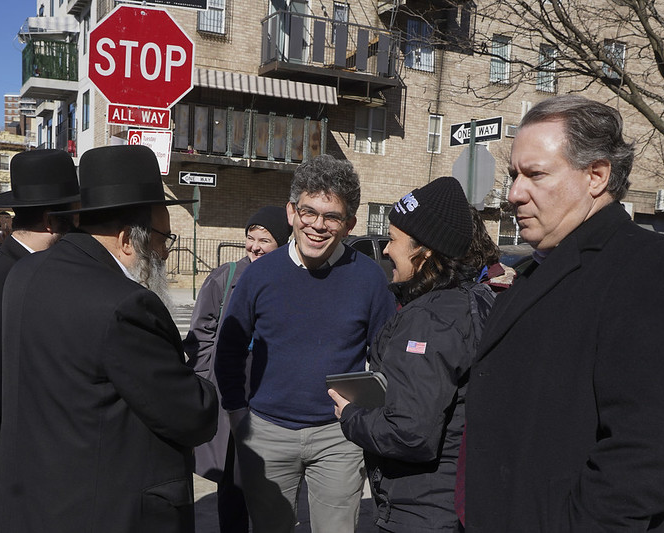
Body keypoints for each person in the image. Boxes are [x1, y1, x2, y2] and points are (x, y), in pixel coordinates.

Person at [464, 95, 664, 531]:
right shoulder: (534, 271)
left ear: (596, 176)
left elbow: (649, 448)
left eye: (534, 175)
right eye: (512, 175)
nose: (513, 194)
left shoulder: (653, 268)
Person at [0, 145, 219, 533]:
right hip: (102, 509)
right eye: (163, 239)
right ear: (128, 240)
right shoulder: (127, 305)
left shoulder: (25, 273)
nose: (163, 252)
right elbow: (190, 414)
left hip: (32, 503)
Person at [215, 154, 396, 533]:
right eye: (308, 212)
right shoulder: (259, 274)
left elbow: (384, 358)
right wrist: (237, 414)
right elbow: (229, 349)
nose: (317, 225)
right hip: (265, 432)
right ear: (291, 213)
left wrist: (363, 419)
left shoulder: (370, 279)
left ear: (349, 224)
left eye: (331, 216)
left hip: (339, 436)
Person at [328, 176, 495, 532]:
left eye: (392, 240)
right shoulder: (469, 300)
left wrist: (351, 415)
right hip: (448, 502)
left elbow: (410, 433)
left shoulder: (430, 319)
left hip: (423, 510)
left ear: (426, 250)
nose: (386, 250)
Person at [0, 149, 80, 470]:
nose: (80, 224)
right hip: (22, 451)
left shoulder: (58, 269)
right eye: (75, 215)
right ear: (52, 221)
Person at [184, 205, 292, 533]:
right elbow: (200, 338)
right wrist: (205, 387)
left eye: (265, 239)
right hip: (229, 396)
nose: (255, 246)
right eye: (250, 238)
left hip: (272, 397)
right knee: (230, 486)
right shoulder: (224, 277)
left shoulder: (291, 281)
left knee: (268, 484)